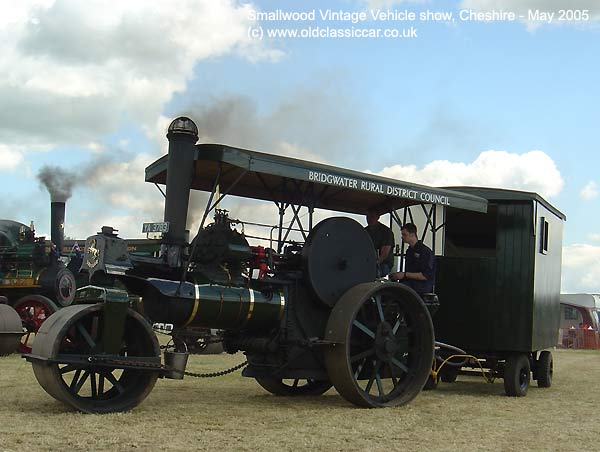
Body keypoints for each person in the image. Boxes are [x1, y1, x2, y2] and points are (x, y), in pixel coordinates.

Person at [389, 223, 435, 295]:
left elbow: (425, 276)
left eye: (404, 234)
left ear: (412, 235)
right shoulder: (409, 251)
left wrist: (404, 275)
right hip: (410, 283)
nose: (402, 237)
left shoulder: (425, 252)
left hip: (421, 286)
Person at [365, 207, 395, 277]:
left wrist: (373, 264)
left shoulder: (386, 232)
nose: (369, 219)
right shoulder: (364, 231)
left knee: (371, 273)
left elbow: (384, 255)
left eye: (372, 217)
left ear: (378, 217)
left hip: (384, 264)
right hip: (367, 262)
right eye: (367, 217)